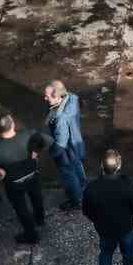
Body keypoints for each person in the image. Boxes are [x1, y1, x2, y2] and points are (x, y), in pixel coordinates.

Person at [0, 114, 48, 244]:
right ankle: (40, 219)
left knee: (21, 208)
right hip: (32, 176)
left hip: (14, 184)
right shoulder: (28, 135)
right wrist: (36, 151)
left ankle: (31, 235)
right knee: (37, 198)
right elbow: (47, 140)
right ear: (13, 124)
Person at [83, 149, 133, 265]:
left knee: (106, 254)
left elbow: (87, 211)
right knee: (128, 255)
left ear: (101, 166)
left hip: (104, 230)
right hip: (126, 229)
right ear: (119, 166)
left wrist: (97, 220)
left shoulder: (92, 188)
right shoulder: (127, 185)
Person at [44, 79, 88, 210]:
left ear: (57, 97)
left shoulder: (60, 118)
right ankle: (83, 188)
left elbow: (60, 144)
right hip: (77, 144)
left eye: (47, 96)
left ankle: (76, 200)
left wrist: (51, 153)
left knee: (68, 175)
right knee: (78, 166)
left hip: (66, 153)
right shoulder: (72, 98)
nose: (44, 98)